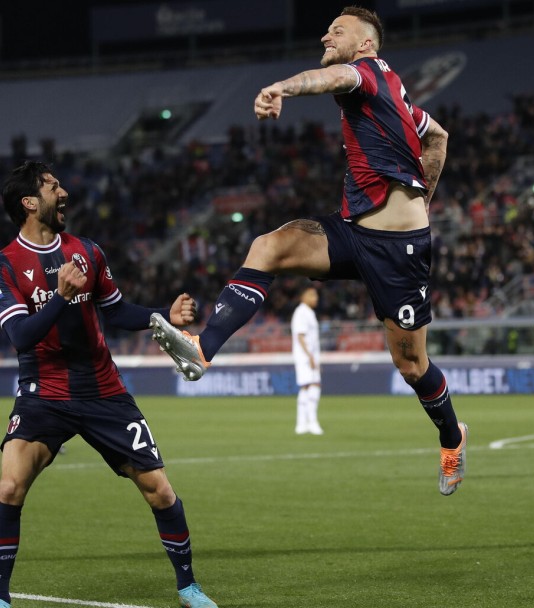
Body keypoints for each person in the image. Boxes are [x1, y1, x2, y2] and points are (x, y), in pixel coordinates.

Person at [151, 6, 468, 496]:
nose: (325, 35)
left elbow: (331, 78)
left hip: (398, 250)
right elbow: (438, 135)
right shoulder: (393, 96)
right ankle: (202, 349)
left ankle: (452, 438)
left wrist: (281, 88)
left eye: (337, 30)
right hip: (352, 231)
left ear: (365, 43)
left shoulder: (365, 72)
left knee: (411, 365)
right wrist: (424, 195)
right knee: (269, 246)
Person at [0, 162, 217, 607]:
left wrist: (163, 315)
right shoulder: (6, 264)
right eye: (53, 187)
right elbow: (20, 336)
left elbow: (115, 311)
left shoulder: (87, 251)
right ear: (29, 203)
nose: (63, 192)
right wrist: (60, 297)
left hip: (104, 390)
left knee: (160, 490)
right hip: (44, 393)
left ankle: (188, 587)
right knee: (8, 488)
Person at [291, 285, 324, 435]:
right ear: (303, 297)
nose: (315, 298)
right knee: (313, 385)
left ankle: (302, 423)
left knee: (306, 387)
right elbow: (300, 336)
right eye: (312, 295)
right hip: (305, 356)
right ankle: (311, 421)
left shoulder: (308, 312)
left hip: (308, 355)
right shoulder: (301, 312)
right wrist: (310, 356)